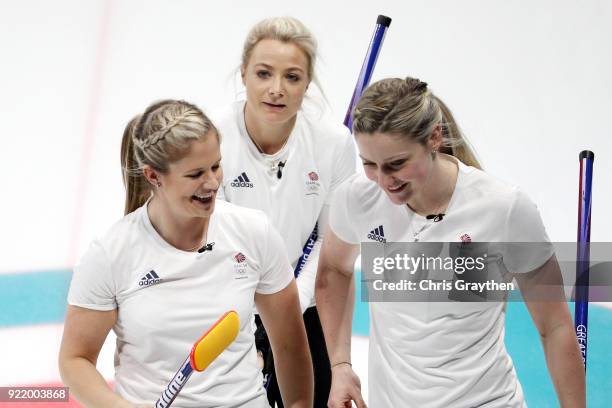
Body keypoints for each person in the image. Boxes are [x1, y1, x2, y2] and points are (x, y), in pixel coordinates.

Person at [315, 77, 586, 407]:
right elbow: (334, 271)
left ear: (434, 138)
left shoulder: (505, 209)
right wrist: (340, 365)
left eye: (397, 164)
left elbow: (555, 326)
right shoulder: (357, 198)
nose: (384, 181)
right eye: (370, 164)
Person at [58, 99, 313, 408]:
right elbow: (75, 360)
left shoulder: (253, 232)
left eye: (216, 166)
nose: (212, 183)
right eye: (195, 175)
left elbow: (289, 346)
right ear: (153, 176)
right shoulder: (111, 253)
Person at [213, 17, 356, 408]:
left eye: (292, 77)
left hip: (303, 297)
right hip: (228, 300)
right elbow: (215, 243)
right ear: (244, 74)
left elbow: (332, 240)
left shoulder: (334, 143)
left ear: (307, 83)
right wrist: (258, 314)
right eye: (263, 73)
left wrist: (290, 299)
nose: (277, 89)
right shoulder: (213, 139)